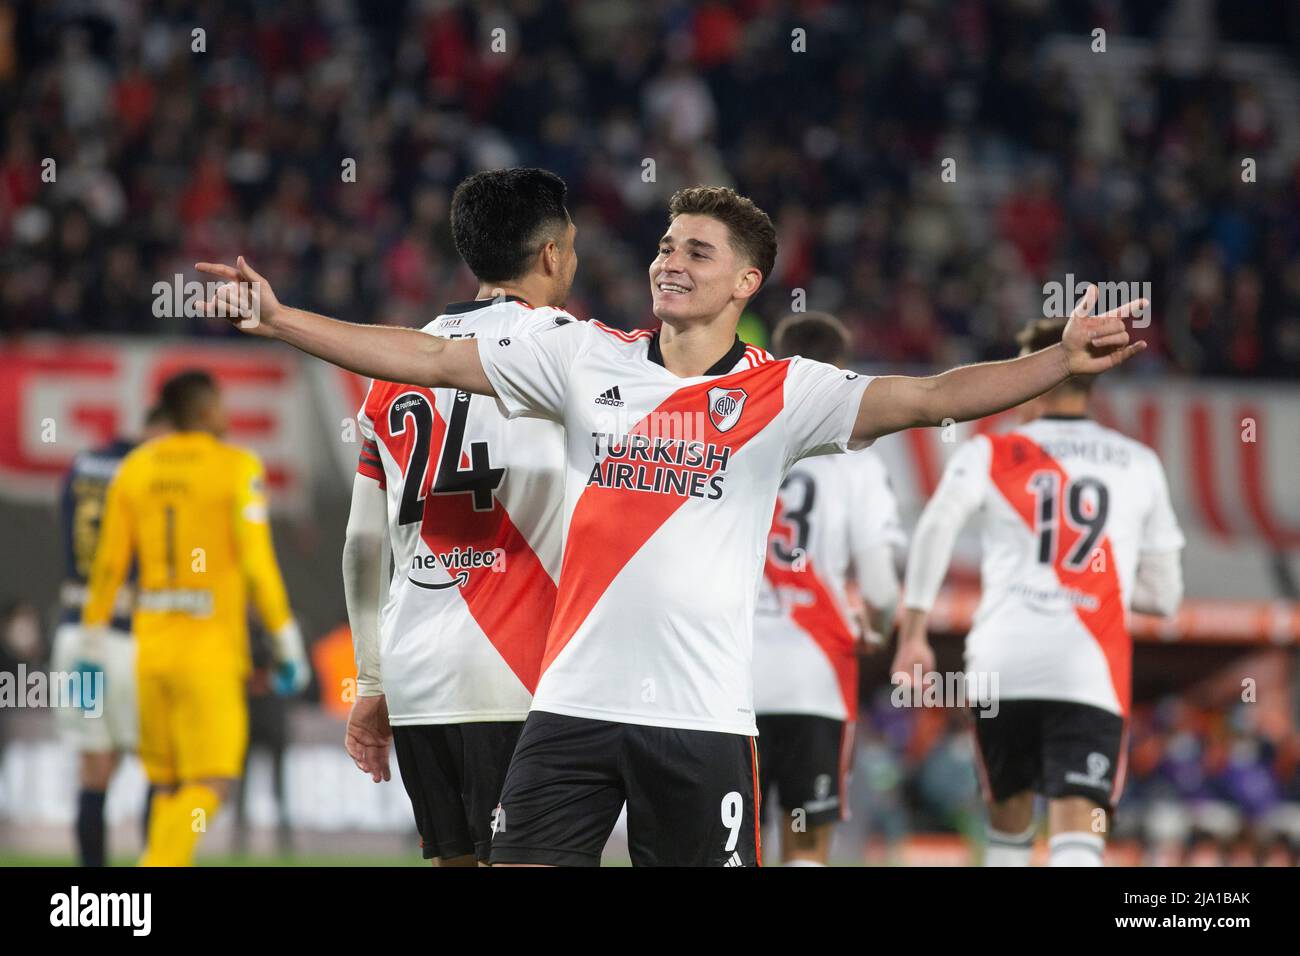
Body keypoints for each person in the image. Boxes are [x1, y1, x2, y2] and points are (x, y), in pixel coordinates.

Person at [197, 183, 1146, 867]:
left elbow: (934, 395)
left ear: (749, 283)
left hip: (699, 721)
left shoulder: (787, 394)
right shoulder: (579, 355)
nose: (669, 261)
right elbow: (427, 359)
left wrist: (1054, 362)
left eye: (698, 251)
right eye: (664, 245)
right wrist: (286, 321)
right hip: (568, 708)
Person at [342, 168, 573, 865]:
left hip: (417, 672)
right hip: (527, 668)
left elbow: (360, 544)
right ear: (552, 255)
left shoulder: (392, 371)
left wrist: (372, 682)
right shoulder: (574, 351)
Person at [892, 317, 1184, 866]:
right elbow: (1165, 597)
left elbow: (936, 525)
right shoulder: (1139, 463)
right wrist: (1103, 583)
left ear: (1031, 377)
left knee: (1009, 827)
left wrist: (913, 632)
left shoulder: (992, 452)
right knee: (1080, 826)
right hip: (1089, 666)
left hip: (1004, 660)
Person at [82, 370, 308, 866]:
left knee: (167, 786)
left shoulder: (135, 469)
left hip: (149, 654)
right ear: (207, 412)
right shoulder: (236, 466)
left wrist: (91, 638)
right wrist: (285, 637)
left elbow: (108, 567)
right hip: (209, 656)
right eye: (221, 405)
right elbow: (256, 563)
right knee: (213, 782)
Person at [752, 312, 905, 866]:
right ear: (840, 372)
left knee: (726, 842)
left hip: (728, 678)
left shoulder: (739, 438)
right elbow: (883, 587)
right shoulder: (857, 465)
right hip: (814, 678)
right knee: (807, 846)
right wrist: (878, 629)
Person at [50, 402, 172, 866]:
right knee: (160, 766)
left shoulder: (81, 466)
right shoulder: (149, 472)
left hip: (78, 636)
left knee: (94, 770)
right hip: (131, 635)